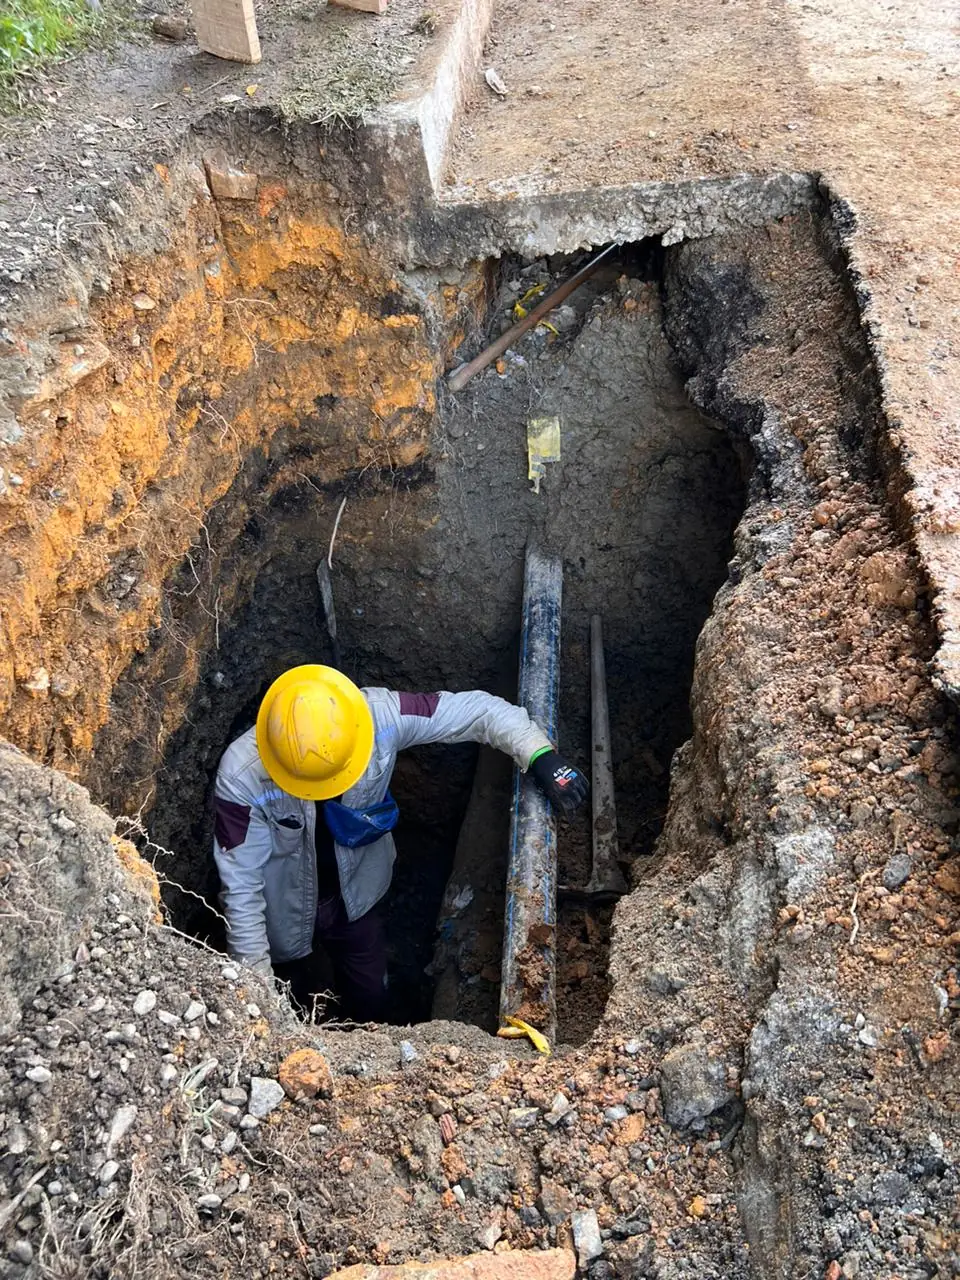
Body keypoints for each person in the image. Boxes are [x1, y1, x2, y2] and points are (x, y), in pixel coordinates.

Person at [212, 664, 588, 1022]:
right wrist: (258, 1004)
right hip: (283, 912)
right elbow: (242, 888)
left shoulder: (379, 717)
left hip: (357, 897)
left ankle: (369, 1033)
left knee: (370, 997)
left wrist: (539, 753)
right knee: (292, 991)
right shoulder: (243, 775)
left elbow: (478, 712)